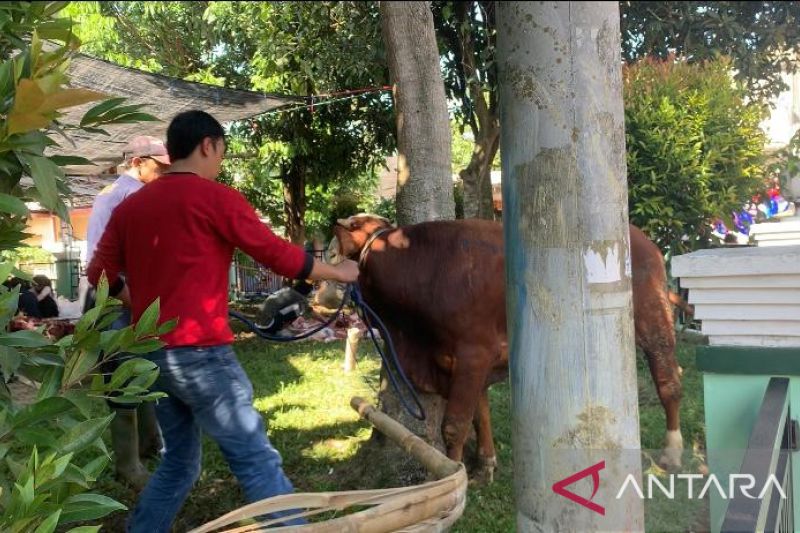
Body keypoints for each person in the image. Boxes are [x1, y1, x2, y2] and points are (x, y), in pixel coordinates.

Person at [87, 110, 360, 532]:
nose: (219, 164)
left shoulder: (131, 208)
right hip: (202, 356)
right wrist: (340, 273)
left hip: (153, 356)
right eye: (221, 153)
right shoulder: (215, 197)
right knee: (255, 460)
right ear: (207, 145)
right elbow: (274, 253)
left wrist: (140, 302)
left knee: (180, 462)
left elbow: (97, 274)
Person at [85, 135, 171, 490]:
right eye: (159, 165)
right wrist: (133, 300)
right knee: (125, 377)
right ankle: (128, 465)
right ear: (138, 162)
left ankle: (147, 445)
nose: (165, 172)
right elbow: (102, 262)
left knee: (142, 369)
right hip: (119, 292)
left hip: (122, 292)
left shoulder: (117, 194)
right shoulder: (128, 196)